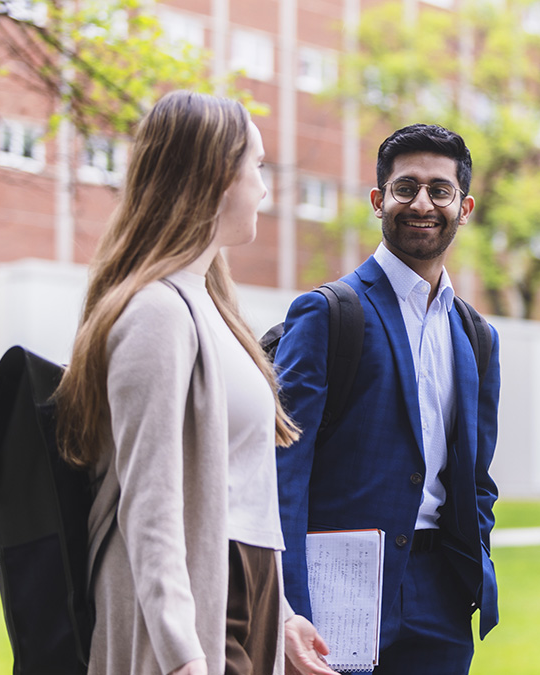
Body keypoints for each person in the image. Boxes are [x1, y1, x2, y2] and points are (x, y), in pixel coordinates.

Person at [53, 90, 336, 675]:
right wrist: (180, 654)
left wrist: (280, 615)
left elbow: (243, 490)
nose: (264, 188)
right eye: (255, 167)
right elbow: (148, 505)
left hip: (246, 590)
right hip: (198, 607)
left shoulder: (211, 306)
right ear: (213, 176)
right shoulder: (155, 312)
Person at [273, 123, 500, 674]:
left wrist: (472, 567)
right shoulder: (327, 314)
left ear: (463, 206)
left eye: (440, 190)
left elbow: (476, 478)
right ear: (379, 200)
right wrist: (287, 605)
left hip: (440, 596)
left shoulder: (476, 335)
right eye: (406, 188)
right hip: (338, 591)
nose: (422, 202)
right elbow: (283, 472)